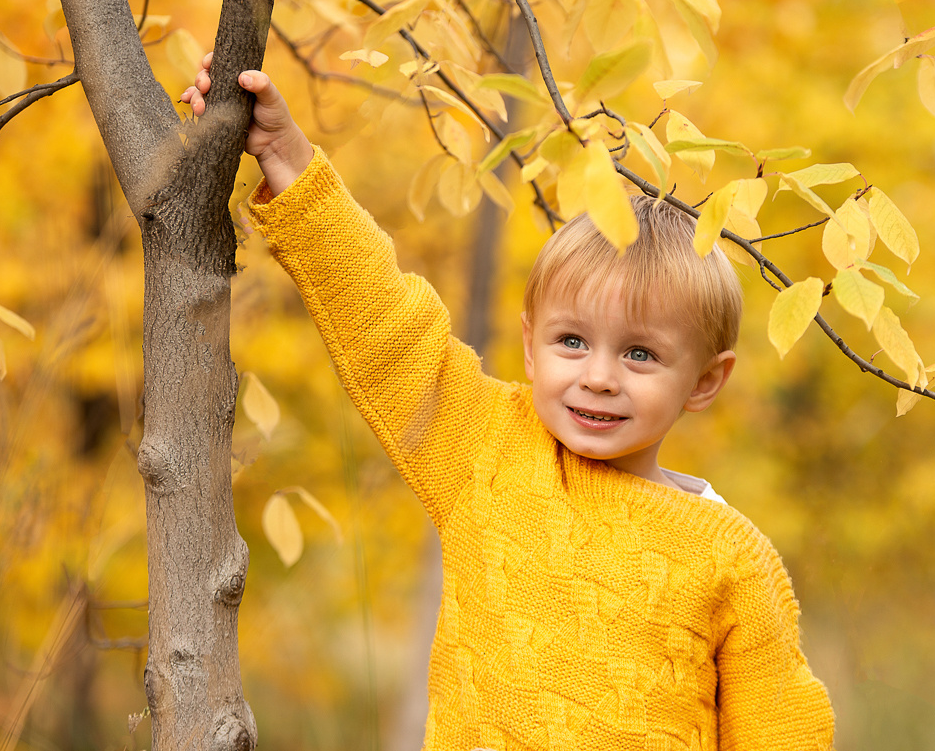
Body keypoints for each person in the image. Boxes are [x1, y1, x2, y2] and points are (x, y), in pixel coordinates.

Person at [183, 58, 835, 750]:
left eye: (640, 353)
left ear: (705, 379)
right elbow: (386, 325)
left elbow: (782, 729)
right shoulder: (484, 445)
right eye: (573, 341)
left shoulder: (731, 556)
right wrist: (287, 156)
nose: (600, 376)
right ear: (531, 348)